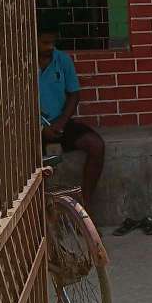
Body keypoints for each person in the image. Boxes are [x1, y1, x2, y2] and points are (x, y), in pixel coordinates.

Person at [37, 18, 105, 205]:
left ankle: (85, 205)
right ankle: (39, 212)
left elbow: (74, 95)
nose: (50, 47)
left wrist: (61, 122)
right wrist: (41, 128)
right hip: (32, 129)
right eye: (45, 43)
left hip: (59, 123)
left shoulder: (63, 60)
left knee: (96, 145)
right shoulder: (22, 64)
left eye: (53, 42)